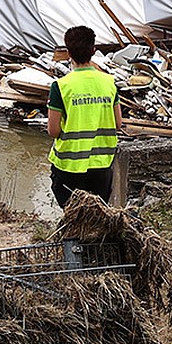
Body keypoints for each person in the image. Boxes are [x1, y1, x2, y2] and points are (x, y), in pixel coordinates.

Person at [47, 25, 121, 209]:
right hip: (102, 164)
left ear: (68, 53)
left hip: (68, 166)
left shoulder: (61, 86)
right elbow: (117, 124)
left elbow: (53, 130)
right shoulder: (109, 82)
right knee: (97, 214)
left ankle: (73, 239)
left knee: (72, 212)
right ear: (93, 51)